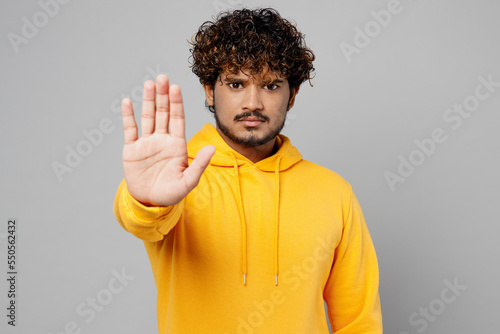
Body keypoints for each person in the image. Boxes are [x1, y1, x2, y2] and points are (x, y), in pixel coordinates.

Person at [113, 7, 382, 334]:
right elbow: (141, 221)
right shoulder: (176, 178)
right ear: (210, 90)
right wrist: (146, 200)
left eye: (270, 85)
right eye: (237, 84)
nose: (253, 102)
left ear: (292, 95)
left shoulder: (333, 192)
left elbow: (358, 320)